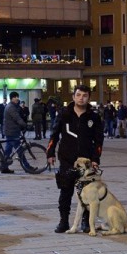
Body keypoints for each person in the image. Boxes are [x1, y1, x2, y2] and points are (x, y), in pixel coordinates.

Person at [47, 84, 104, 234]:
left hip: (86, 163)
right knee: (65, 192)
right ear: (73, 97)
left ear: (89, 98)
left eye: (84, 96)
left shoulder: (94, 117)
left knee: (87, 193)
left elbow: (99, 140)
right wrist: (50, 153)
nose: (81, 98)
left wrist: (95, 158)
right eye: (78, 95)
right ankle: (63, 221)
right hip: (66, 160)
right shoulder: (64, 114)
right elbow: (54, 134)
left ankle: (86, 222)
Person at [1, 91, 28, 174]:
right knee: (20, 150)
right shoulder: (11, 107)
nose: (17, 98)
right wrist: (26, 125)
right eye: (15, 97)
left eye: (17, 97)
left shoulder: (13, 106)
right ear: (11, 98)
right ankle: (28, 167)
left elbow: (19, 114)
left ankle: (4, 167)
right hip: (12, 132)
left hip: (11, 131)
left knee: (8, 150)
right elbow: (17, 118)